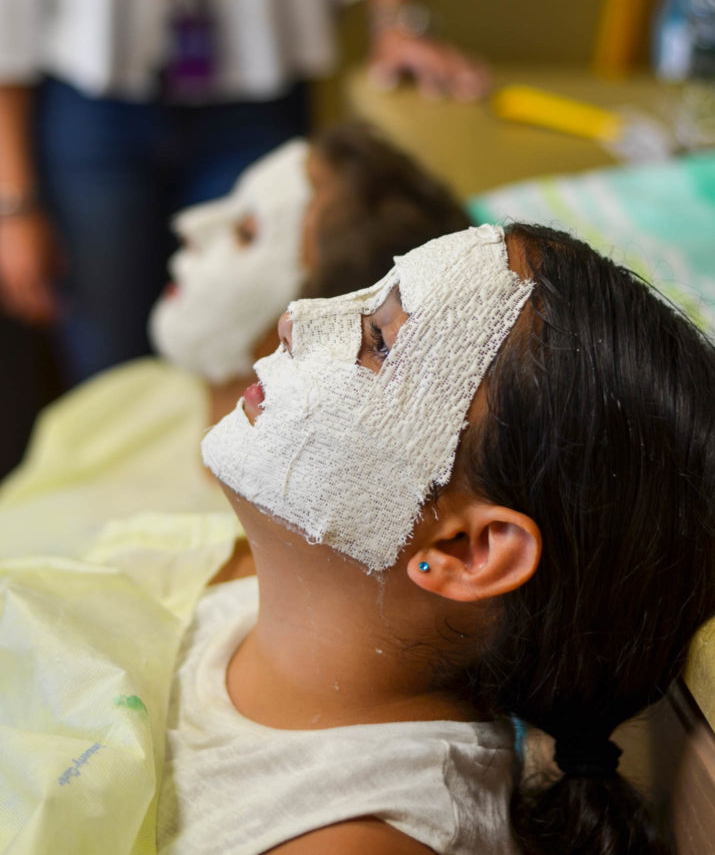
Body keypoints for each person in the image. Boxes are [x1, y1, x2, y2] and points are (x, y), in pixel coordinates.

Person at [155, 224, 714, 853]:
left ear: (465, 553)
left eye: (378, 342)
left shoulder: (348, 841)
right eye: (365, 299)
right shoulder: (242, 576)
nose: (294, 319)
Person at [0, 0, 485, 386]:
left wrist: (399, 24)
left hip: (252, 100)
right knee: (107, 354)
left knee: (255, 345)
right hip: (93, 111)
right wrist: (13, 202)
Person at [0, 122, 469, 564]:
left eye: (247, 233)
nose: (190, 225)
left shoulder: (239, 561)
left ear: (317, 316)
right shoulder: (134, 394)